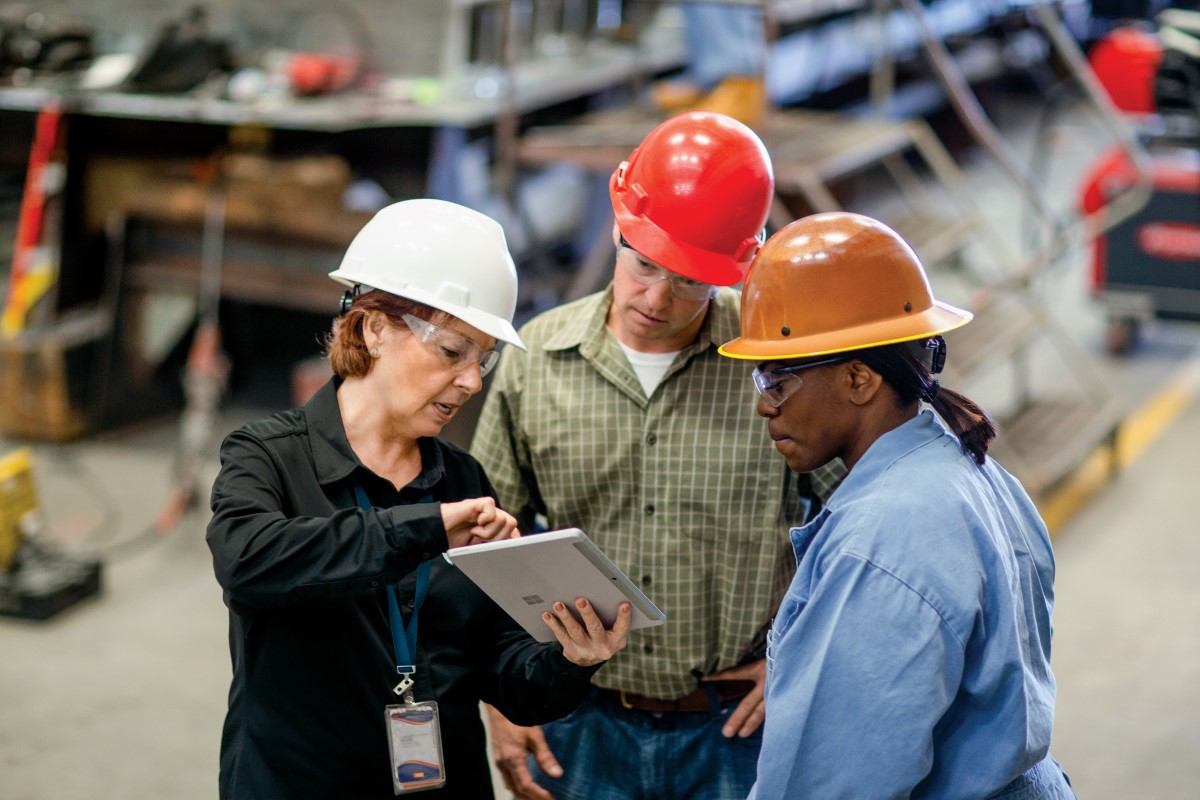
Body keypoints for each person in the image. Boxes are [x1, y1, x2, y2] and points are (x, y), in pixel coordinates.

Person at [469, 111, 845, 800]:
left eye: (689, 281)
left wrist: (810, 658)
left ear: (734, 266)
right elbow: (486, 544)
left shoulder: (770, 365)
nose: (656, 297)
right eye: (643, 264)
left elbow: (861, 521)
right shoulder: (536, 364)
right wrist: (499, 699)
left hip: (736, 730)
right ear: (619, 223)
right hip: (577, 721)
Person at [206, 198, 632, 800]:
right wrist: (424, 530)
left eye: (483, 358)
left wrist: (572, 658)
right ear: (373, 327)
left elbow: (503, 670)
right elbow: (247, 562)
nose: (472, 381)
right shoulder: (268, 456)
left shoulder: (462, 480)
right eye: (452, 351)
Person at [718, 211, 1076, 798]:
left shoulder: (880, 545)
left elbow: (832, 784)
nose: (765, 406)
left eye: (776, 380)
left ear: (860, 379)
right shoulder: (971, 471)